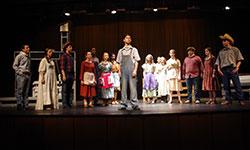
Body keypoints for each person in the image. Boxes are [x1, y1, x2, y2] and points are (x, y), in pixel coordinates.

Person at [215, 33, 245, 105]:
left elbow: (240, 59)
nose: (223, 42)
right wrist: (218, 69)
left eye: (225, 40)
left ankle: (241, 100)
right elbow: (218, 62)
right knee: (226, 86)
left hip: (232, 69)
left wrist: (237, 67)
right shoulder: (221, 51)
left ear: (229, 41)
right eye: (222, 41)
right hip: (224, 70)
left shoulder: (235, 49)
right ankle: (228, 100)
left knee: (237, 85)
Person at [116, 34, 141, 110]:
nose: (128, 39)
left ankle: (134, 104)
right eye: (127, 38)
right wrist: (119, 71)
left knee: (133, 88)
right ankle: (123, 104)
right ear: (124, 40)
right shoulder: (120, 51)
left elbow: (137, 61)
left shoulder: (134, 49)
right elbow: (118, 62)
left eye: (130, 38)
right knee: (123, 88)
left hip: (131, 70)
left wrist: (135, 70)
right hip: (123, 71)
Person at [13, 44, 31, 110]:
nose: (28, 49)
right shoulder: (19, 56)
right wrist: (20, 72)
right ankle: (19, 104)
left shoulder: (28, 57)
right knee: (20, 90)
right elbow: (14, 66)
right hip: (21, 75)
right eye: (26, 48)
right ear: (23, 49)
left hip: (27, 75)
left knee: (26, 91)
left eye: (28, 47)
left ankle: (25, 105)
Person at [60, 42, 75, 109]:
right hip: (66, 73)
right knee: (65, 90)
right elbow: (62, 67)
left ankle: (69, 103)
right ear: (66, 48)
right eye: (70, 47)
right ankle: (64, 104)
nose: (71, 48)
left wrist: (74, 75)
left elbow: (72, 67)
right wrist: (63, 75)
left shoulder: (71, 56)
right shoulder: (64, 55)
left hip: (71, 74)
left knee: (69, 90)